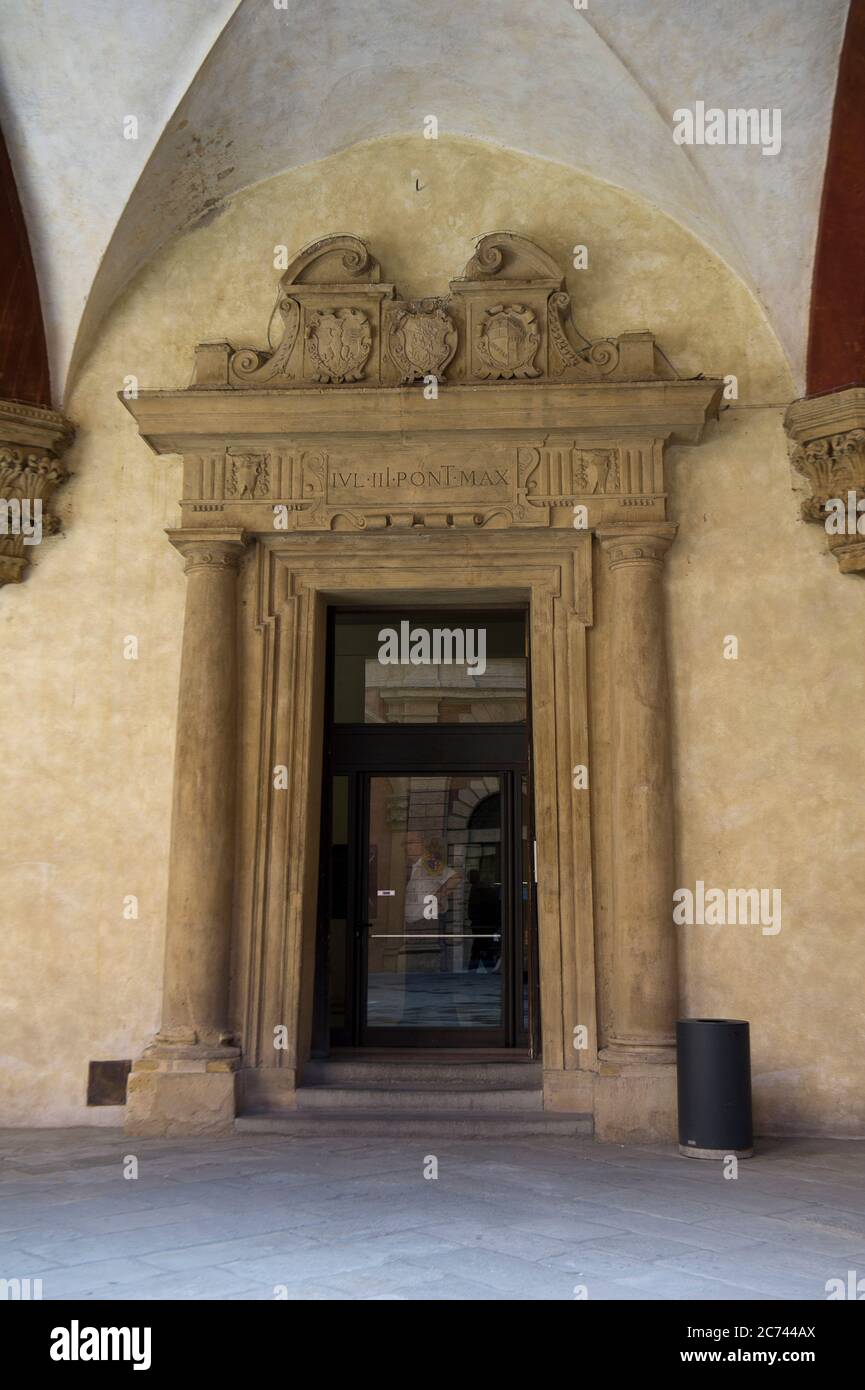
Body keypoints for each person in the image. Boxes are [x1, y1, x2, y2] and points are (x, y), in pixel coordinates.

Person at [467, 868, 501, 971]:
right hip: (487, 923)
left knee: (479, 946)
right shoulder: (487, 888)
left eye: (469, 877)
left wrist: (473, 917)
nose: (468, 879)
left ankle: (476, 968)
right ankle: (485, 967)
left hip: (481, 923)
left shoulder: (477, 889)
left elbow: (474, 907)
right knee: (483, 946)